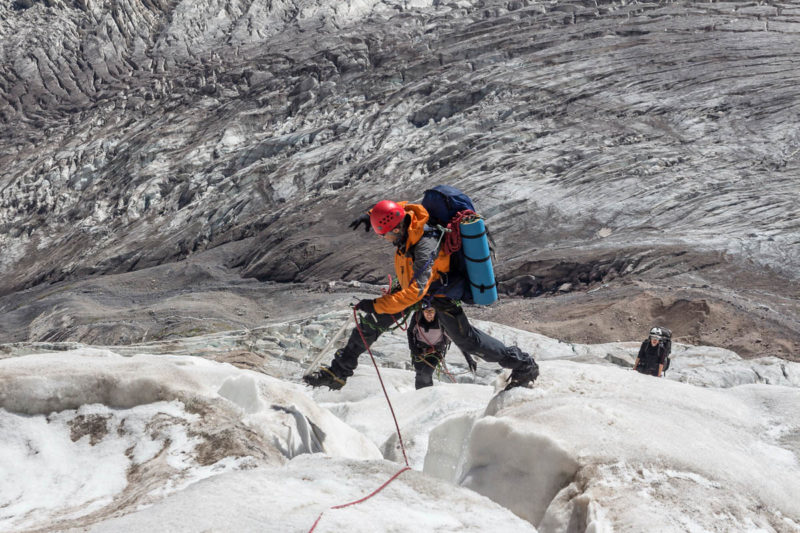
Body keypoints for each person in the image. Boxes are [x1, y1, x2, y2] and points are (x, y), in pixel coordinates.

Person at [303, 199, 538, 391]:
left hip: (437, 294)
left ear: (397, 228)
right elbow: (398, 207)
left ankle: (523, 364)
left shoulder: (426, 245)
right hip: (411, 287)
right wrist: (372, 215)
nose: (385, 239)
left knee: (468, 340)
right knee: (369, 324)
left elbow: (416, 292)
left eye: (385, 234)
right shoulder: (406, 220)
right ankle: (338, 373)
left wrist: (378, 305)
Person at [407, 300, 477, 389]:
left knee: (425, 374)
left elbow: (457, 339)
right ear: (422, 311)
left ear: (435, 311)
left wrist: (469, 359)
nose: (429, 314)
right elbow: (410, 332)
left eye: (431, 311)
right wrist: (413, 349)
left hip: (435, 352)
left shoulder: (441, 322)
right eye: (426, 311)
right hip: (419, 350)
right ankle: (422, 398)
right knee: (419, 375)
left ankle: (427, 395)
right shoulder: (417, 318)